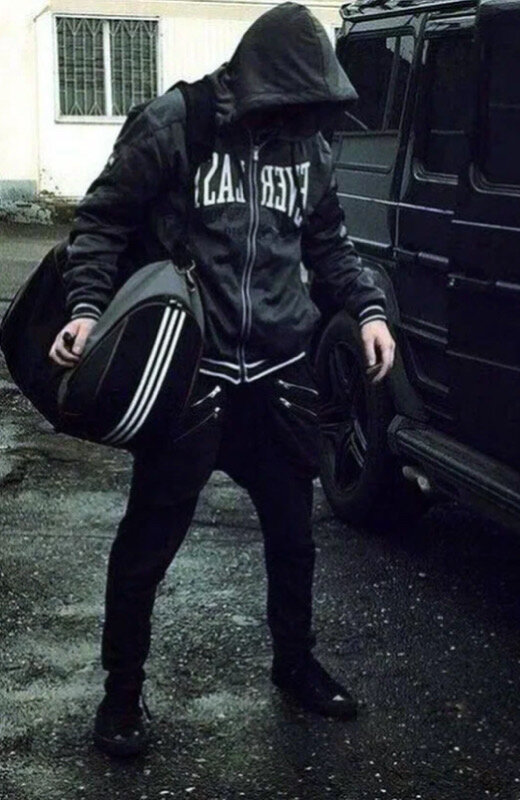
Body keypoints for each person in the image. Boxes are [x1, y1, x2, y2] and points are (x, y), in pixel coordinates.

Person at [48, 2, 395, 757]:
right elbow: (102, 223)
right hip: (190, 372)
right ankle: (122, 694)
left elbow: (328, 241)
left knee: (294, 536)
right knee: (149, 540)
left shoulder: (308, 145)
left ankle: (295, 665)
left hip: (277, 371)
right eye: (295, 106)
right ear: (263, 83)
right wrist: (86, 309)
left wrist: (368, 309)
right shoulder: (176, 123)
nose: (305, 123)